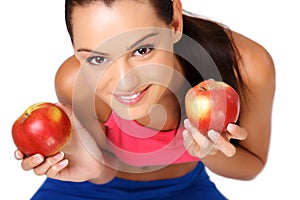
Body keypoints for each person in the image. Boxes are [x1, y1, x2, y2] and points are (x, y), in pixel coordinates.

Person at [14, 0, 275, 199]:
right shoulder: (74, 82)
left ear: (174, 22)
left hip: (186, 190)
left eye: (142, 50)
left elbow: (251, 166)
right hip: (86, 190)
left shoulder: (247, 67)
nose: (124, 81)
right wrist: (93, 166)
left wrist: (209, 152)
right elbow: (106, 169)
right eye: (97, 59)